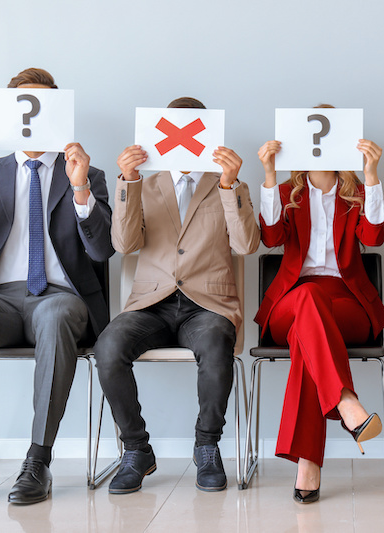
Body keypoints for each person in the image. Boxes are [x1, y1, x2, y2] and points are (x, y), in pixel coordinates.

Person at [0, 68, 113, 506]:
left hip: (60, 298)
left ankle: (38, 460)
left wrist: (81, 187)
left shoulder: (86, 173)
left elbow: (104, 250)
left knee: (55, 313)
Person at [93, 97, 260, 494]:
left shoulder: (227, 184)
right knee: (108, 346)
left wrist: (229, 186)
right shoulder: (143, 183)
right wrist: (127, 182)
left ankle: (207, 445)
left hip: (207, 305)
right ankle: (136, 448)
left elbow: (247, 245)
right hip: (152, 304)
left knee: (219, 346)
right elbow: (125, 243)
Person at [255, 112, 384, 503]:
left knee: (307, 343)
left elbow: (375, 236)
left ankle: (308, 464)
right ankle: (346, 402)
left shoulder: (358, 193)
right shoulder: (285, 192)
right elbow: (270, 238)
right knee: (309, 301)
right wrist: (268, 173)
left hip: (347, 302)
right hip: (292, 299)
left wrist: (372, 174)